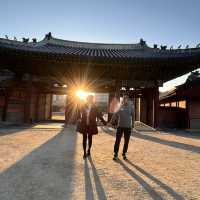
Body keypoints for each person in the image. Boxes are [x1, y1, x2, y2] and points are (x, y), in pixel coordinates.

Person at [110, 95, 134, 160]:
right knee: (117, 140)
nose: (125, 100)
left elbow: (133, 115)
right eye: (124, 99)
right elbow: (115, 114)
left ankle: (124, 153)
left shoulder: (131, 107)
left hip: (128, 127)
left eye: (126, 99)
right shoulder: (119, 106)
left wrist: (133, 124)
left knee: (126, 141)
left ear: (128, 100)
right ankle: (115, 153)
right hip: (120, 126)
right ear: (122, 100)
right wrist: (111, 122)